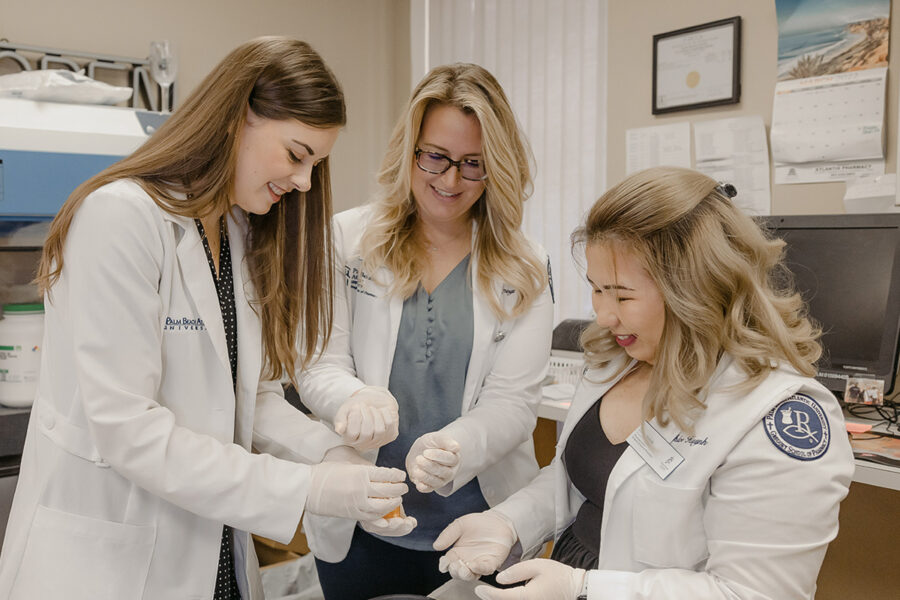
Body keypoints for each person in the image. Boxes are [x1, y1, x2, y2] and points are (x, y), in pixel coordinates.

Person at [0, 37, 409, 600]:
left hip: (213, 552)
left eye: (316, 163)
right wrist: (308, 486)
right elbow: (130, 431)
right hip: (112, 566)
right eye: (296, 154)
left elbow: (253, 397)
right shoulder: (121, 218)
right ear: (239, 115)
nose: (306, 182)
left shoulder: (236, 234)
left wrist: (332, 456)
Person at [433, 166, 855, 600]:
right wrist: (509, 522)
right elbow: (580, 481)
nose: (604, 315)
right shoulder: (616, 359)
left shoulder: (777, 414)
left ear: (695, 288)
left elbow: (754, 594)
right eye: (597, 290)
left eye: (623, 295)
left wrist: (584, 588)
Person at [296, 62, 555, 599]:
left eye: (472, 164)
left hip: (479, 526)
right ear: (409, 149)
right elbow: (319, 363)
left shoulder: (526, 264)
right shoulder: (345, 238)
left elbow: (513, 402)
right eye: (435, 156)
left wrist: (457, 445)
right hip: (363, 518)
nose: (450, 180)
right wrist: (356, 397)